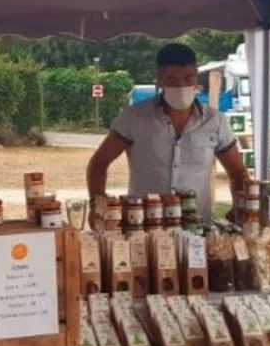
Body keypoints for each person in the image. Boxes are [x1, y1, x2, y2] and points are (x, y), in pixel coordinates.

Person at [86, 43, 249, 224]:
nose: (181, 86)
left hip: (197, 228)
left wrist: (240, 208)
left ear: (196, 77)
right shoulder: (134, 117)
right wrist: (96, 204)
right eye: (172, 79)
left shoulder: (215, 121)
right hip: (143, 226)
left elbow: (237, 172)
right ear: (159, 78)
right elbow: (99, 163)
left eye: (188, 78)